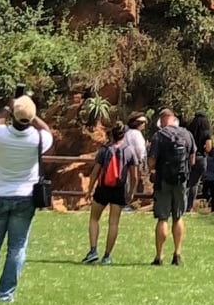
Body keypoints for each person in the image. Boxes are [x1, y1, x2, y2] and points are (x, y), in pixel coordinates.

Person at [0, 95, 52, 303]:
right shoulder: (38, 139)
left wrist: (9, 106)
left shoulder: (0, 135)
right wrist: (32, 115)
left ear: (14, 116)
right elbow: (47, 130)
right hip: (25, 197)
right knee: (17, 247)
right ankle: (5, 294)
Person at [84, 116, 147, 265]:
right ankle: (107, 256)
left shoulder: (104, 150)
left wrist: (89, 190)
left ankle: (93, 251)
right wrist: (131, 192)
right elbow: (134, 176)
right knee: (113, 223)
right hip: (119, 190)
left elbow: (95, 172)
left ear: (111, 134)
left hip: (103, 189)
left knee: (94, 219)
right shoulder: (129, 151)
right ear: (123, 135)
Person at [148, 107, 196, 266]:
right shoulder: (187, 134)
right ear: (174, 118)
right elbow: (192, 160)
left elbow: (151, 162)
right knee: (178, 216)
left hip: (163, 181)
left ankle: (159, 256)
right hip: (181, 181)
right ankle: (177, 254)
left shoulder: (158, 136)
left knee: (163, 218)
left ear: (161, 120)